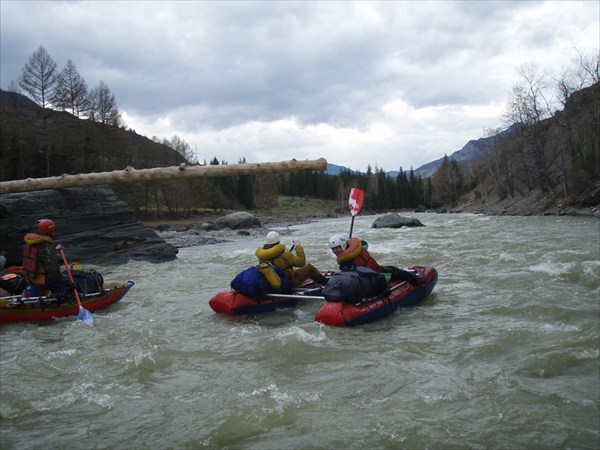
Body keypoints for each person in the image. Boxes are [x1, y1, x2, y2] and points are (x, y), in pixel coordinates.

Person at [327, 234, 420, 284]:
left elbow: (346, 273)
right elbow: (365, 244)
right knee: (394, 270)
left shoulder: (346, 262)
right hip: (371, 275)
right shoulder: (357, 248)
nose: (334, 251)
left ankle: (418, 281)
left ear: (343, 246)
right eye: (333, 249)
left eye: (336, 248)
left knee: (394, 270)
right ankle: (416, 280)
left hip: (378, 273)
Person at [256, 231, 328, 288]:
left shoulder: (261, 256)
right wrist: (298, 247)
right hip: (288, 282)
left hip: (271, 282)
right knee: (309, 268)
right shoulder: (285, 255)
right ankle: (328, 284)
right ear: (278, 242)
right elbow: (301, 263)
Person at [22, 219, 72, 298]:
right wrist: (66, 281)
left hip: (32, 280)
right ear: (51, 231)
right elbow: (53, 270)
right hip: (45, 282)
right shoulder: (46, 247)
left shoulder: (30, 244)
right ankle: (59, 302)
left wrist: (54, 250)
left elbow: (40, 257)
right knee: (67, 287)